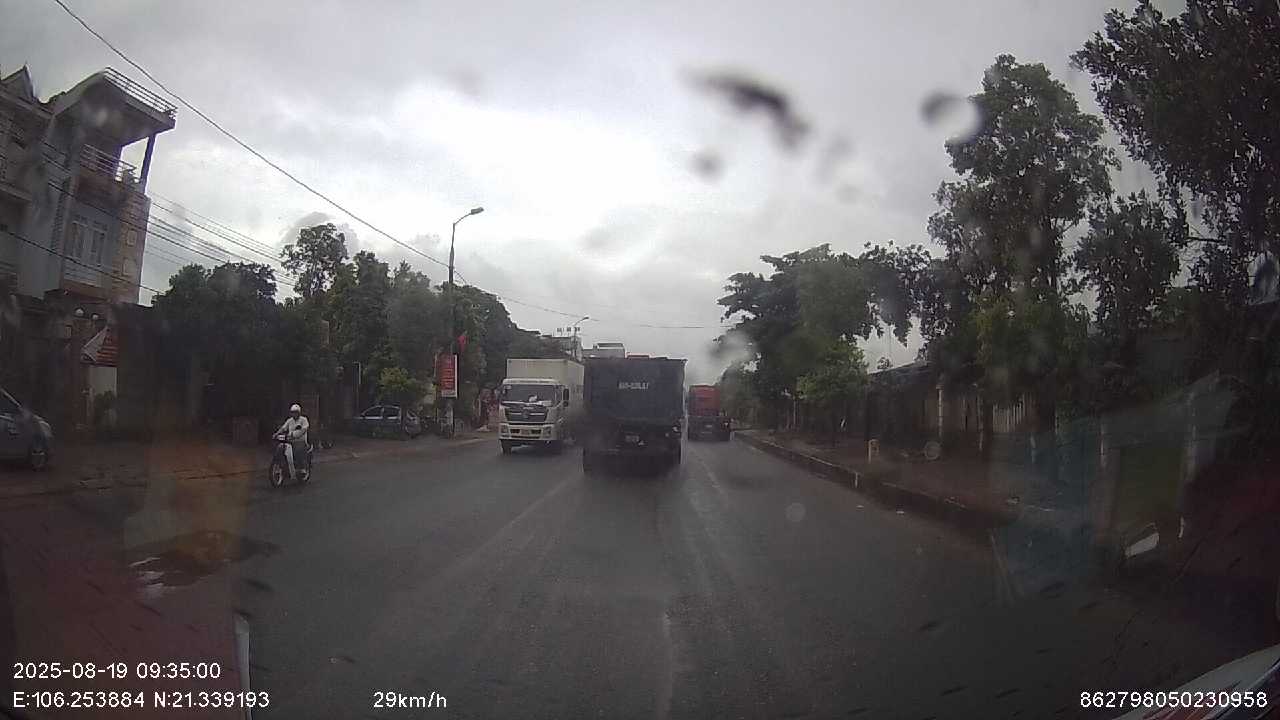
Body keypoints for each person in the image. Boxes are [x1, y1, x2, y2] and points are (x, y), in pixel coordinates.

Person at [276, 403, 310, 479]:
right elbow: (283, 428)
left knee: (297, 451)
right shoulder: (289, 420)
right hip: (290, 441)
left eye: (295, 412)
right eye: (293, 412)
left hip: (301, 442)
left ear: (299, 413)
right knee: (280, 448)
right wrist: (277, 433)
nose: (294, 414)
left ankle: (302, 468)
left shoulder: (303, 420)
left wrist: (294, 434)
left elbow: (304, 429)